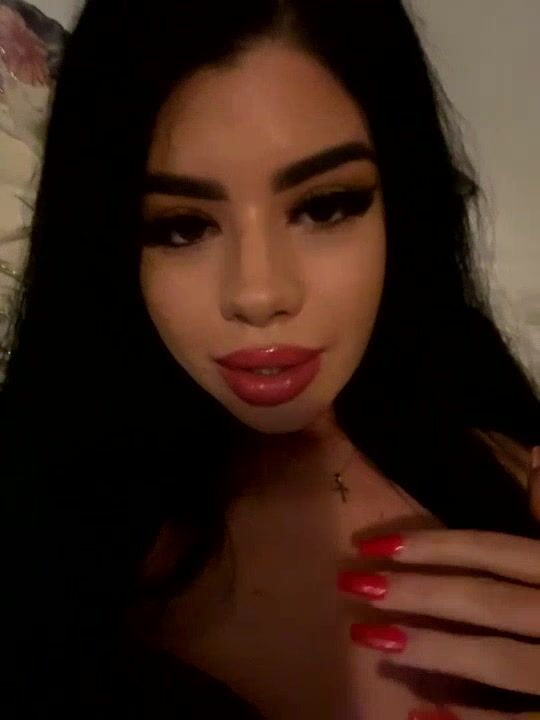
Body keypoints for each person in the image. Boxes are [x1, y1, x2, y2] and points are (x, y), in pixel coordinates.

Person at [2, 1, 539, 718]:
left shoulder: (502, 453)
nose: (259, 295)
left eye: (325, 206)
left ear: (401, 206)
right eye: (182, 226)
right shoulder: (36, 539)